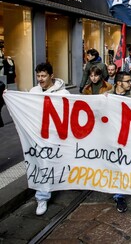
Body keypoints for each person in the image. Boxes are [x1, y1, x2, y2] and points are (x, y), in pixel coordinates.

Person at [29, 62, 70, 215]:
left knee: (57, 163)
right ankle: (42, 198)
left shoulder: (64, 94)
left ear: (51, 76)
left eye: (43, 76)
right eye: (38, 76)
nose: (40, 79)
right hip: (38, 137)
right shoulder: (33, 91)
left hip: (57, 137)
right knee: (43, 165)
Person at [106, 71, 131, 213]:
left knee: (124, 164)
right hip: (111, 137)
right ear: (119, 83)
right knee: (115, 165)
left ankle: (121, 192)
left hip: (128, 137)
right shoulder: (106, 96)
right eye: (128, 81)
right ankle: (119, 195)